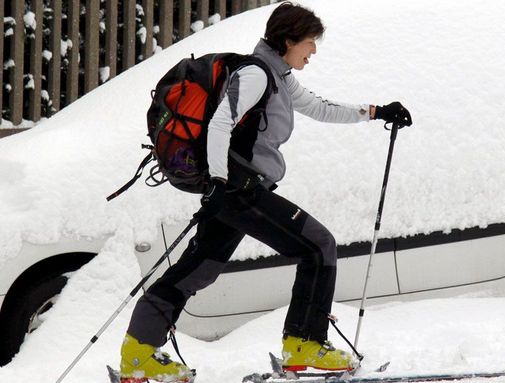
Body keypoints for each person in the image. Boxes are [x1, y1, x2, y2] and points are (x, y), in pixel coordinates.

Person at [118, 2, 412, 382]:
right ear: (288, 40)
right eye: (309, 42)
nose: (314, 51)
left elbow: (319, 108)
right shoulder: (257, 75)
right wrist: (221, 184)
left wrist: (374, 111)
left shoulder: (278, 75)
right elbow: (222, 122)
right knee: (318, 245)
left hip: (232, 190)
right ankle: (304, 342)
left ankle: (138, 353)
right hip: (239, 190)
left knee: (200, 268)